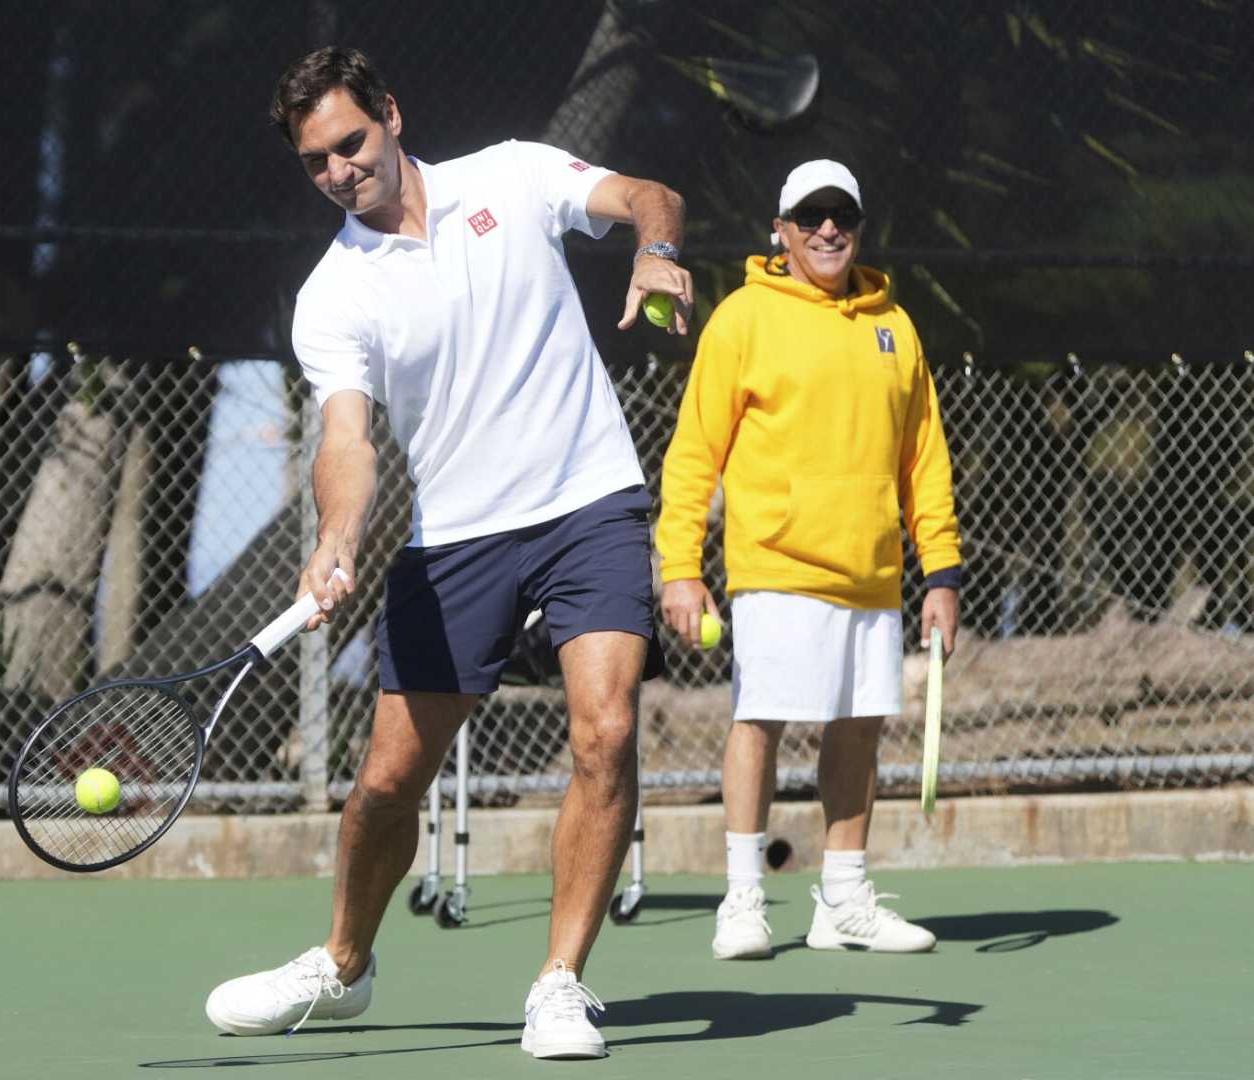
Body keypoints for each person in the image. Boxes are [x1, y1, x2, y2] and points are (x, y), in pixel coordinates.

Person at [203, 46, 692, 1060]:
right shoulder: (332, 296)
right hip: (457, 540)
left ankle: (560, 981)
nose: (341, 169)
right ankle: (344, 966)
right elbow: (347, 439)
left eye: (351, 141)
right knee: (387, 783)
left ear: (389, 112)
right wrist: (336, 536)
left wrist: (654, 249)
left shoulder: (510, 176)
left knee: (605, 733)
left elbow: (650, 192)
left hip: (586, 501)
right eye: (317, 161)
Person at [656, 160, 962, 960]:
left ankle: (845, 901)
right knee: (759, 720)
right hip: (775, 564)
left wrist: (944, 573)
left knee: (858, 729)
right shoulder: (742, 319)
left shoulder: (895, 326)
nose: (829, 229)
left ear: (858, 226)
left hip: (872, 573)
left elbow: (923, 459)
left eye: (843, 216)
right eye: (811, 216)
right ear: (781, 229)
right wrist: (679, 567)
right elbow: (694, 455)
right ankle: (744, 901)